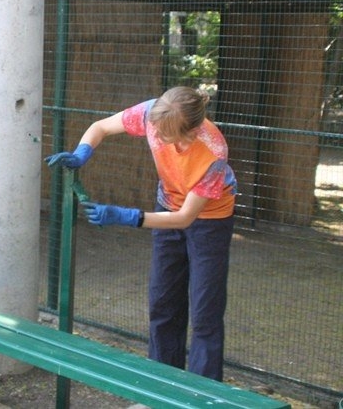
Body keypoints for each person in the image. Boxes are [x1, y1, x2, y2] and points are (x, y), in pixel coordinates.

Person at [45, 86, 237, 381]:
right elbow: (100, 127)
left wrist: (126, 216)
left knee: (204, 313)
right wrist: (81, 153)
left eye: (165, 135)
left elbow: (185, 218)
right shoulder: (153, 113)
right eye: (155, 130)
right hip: (167, 205)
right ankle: (161, 382)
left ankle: (203, 394)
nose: (156, 138)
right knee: (162, 301)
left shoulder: (213, 152)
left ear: (190, 133)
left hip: (209, 221)